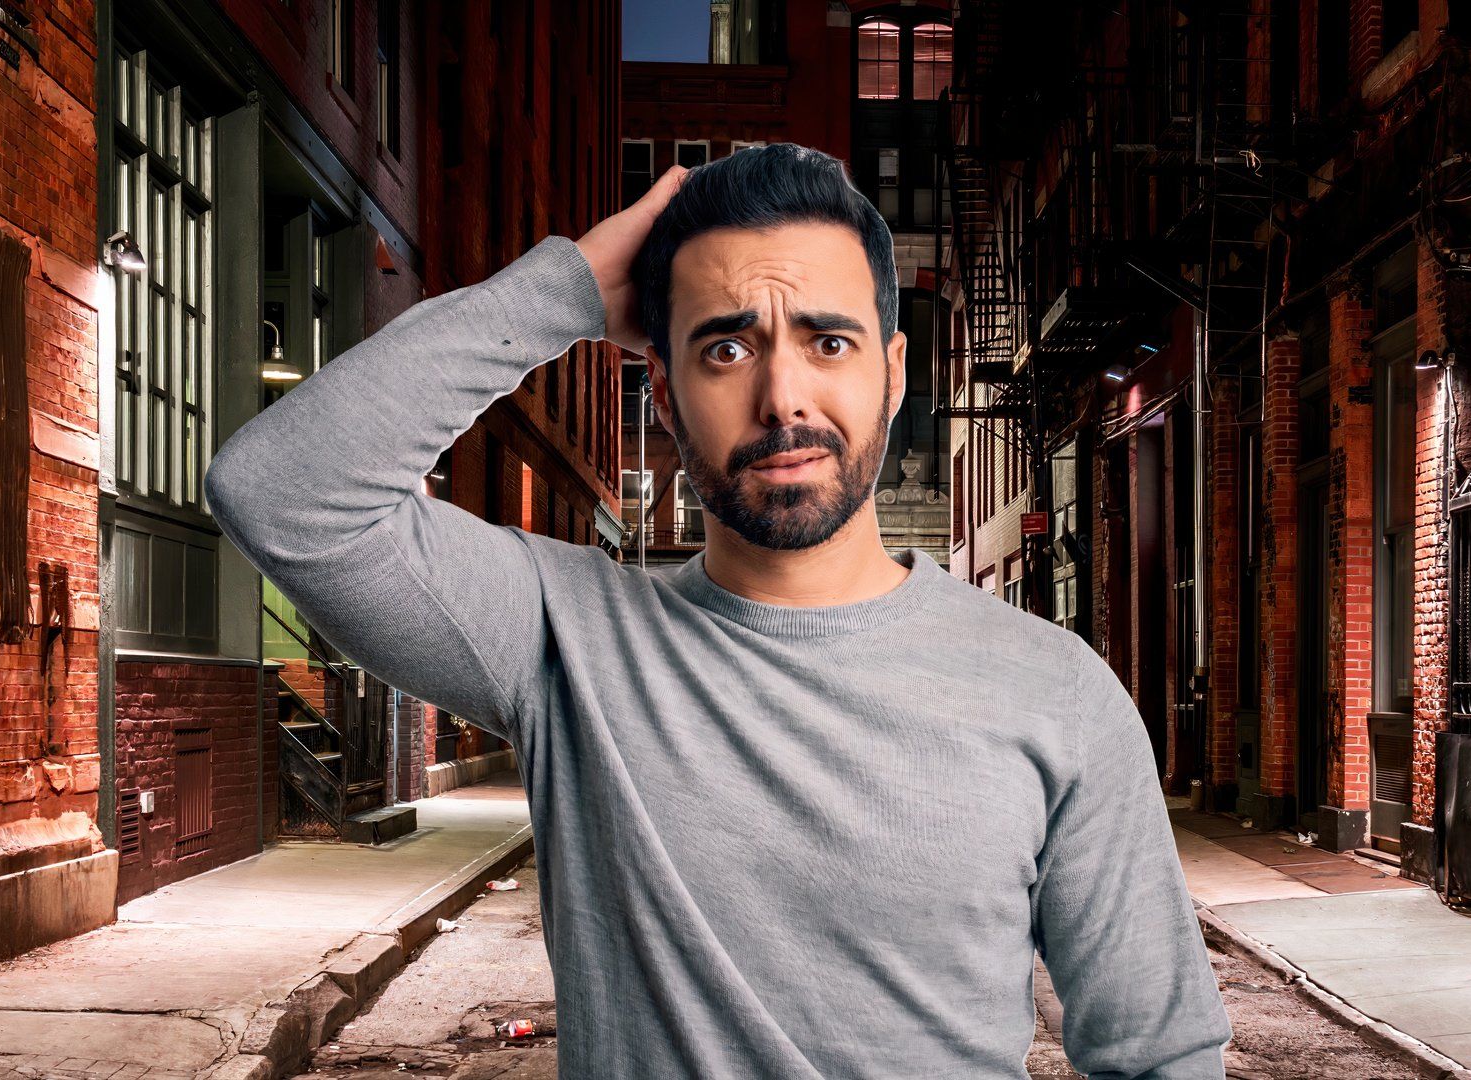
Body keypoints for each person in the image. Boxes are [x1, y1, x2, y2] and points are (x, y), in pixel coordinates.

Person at [205, 143, 1232, 1079]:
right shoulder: (564, 638)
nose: (783, 396)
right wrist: (561, 291)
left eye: (829, 342)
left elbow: (1162, 1056)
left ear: (895, 370)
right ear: (662, 393)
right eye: (726, 349)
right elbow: (282, 493)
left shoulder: (1057, 693)